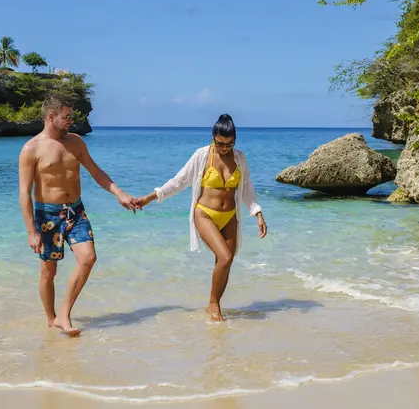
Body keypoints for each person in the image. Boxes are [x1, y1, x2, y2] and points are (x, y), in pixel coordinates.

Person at [19, 94, 140, 336]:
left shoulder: (75, 142)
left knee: (88, 258)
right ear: (51, 117)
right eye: (67, 117)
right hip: (47, 216)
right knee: (48, 272)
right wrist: (31, 231)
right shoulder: (31, 149)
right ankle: (51, 318)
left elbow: (96, 172)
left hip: (76, 211)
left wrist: (119, 193)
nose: (71, 121)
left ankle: (64, 313)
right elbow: (24, 193)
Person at [136, 114, 267, 322]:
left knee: (226, 262)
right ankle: (214, 304)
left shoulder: (240, 158)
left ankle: (213, 304)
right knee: (224, 257)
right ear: (213, 137)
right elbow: (180, 180)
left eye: (230, 143)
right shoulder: (201, 156)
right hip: (205, 214)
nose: (225, 148)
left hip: (230, 216)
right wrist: (151, 197)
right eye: (221, 143)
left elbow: (247, 189)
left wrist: (257, 213)